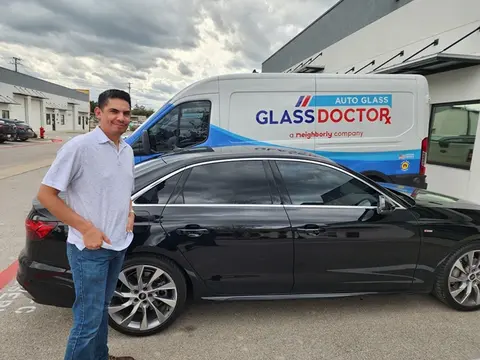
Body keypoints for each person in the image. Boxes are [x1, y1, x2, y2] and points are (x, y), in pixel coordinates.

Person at [37, 89, 136, 360]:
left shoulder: (126, 150)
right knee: (87, 321)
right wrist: (87, 228)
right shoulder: (80, 147)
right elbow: (46, 195)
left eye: (126, 113)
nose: (121, 118)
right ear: (98, 113)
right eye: (114, 111)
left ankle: (100, 357)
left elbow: (124, 190)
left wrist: (130, 210)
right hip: (88, 250)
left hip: (117, 244)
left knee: (101, 310)